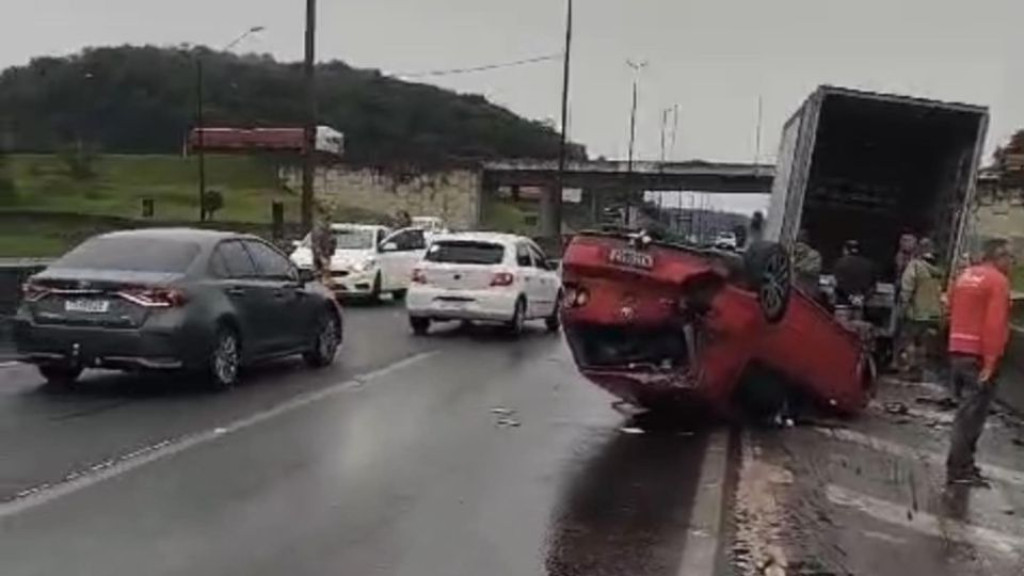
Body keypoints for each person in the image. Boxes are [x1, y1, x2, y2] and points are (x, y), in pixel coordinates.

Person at [945, 238, 1013, 487]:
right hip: (978, 355)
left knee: (965, 410)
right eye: (1009, 257)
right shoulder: (998, 281)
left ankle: (962, 465)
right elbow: (994, 325)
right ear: (997, 256)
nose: (1011, 263)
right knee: (972, 414)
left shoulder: (965, 275)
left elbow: (949, 306)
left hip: (957, 350)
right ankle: (959, 468)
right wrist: (990, 363)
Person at [896, 238, 944, 379]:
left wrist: (903, 308)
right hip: (933, 314)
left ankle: (908, 369)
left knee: (910, 341)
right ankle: (919, 371)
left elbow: (907, 289)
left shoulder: (915, 266)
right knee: (923, 344)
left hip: (915, 312)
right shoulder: (938, 270)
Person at [833, 239, 877, 306]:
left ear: (846, 250)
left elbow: (838, 283)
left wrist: (850, 297)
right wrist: (862, 298)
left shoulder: (840, 263)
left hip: (843, 303)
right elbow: (872, 285)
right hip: (861, 303)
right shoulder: (869, 264)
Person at [792, 229, 822, 299]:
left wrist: (798, 267)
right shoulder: (792, 254)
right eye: (797, 245)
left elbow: (814, 269)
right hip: (794, 290)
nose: (798, 248)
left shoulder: (814, 255)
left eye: (801, 245)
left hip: (807, 291)